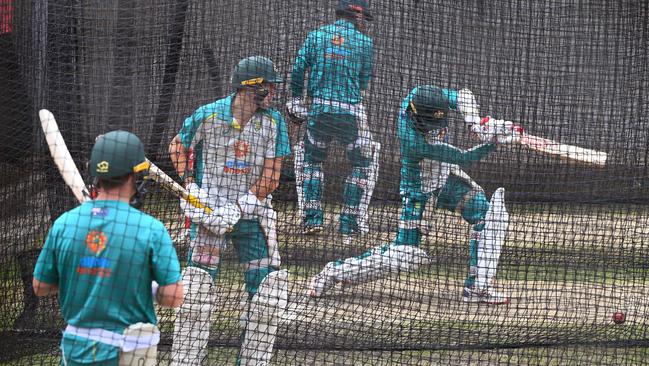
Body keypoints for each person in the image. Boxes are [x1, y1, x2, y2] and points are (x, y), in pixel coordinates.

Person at [308, 85, 522, 304]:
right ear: (413, 114)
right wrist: (492, 142)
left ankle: (478, 287)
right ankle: (335, 272)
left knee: (490, 218)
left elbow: (462, 96)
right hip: (420, 191)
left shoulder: (424, 96)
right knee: (406, 255)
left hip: (446, 177)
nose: (433, 130)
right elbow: (465, 158)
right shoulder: (413, 140)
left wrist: (475, 123)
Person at [168, 55, 291, 365]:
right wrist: (191, 188)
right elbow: (177, 146)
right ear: (251, 87)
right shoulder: (208, 115)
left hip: (251, 217)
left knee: (268, 296)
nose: (273, 92)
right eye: (269, 86)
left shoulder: (274, 122)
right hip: (208, 218)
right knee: (195, 293)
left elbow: (271, 177)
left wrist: (238, 208)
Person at [32, 130, 184, 366]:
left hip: (75, 351)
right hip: (128, 353)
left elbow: (41, 286)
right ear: (135, 175)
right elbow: (173, 297)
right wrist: (150, 288)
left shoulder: (65, 223)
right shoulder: (150, 229)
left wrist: (79, 275)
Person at [287, 0, 379, 236]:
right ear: (357, 17)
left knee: (312, 161)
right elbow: (363, 83)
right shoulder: (365, 43)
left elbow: (298, 69)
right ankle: (349, 223)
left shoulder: (316, 35)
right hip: (351, 112)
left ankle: (313, 220)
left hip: (319, 110)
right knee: (361, 163)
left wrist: (296, 100)